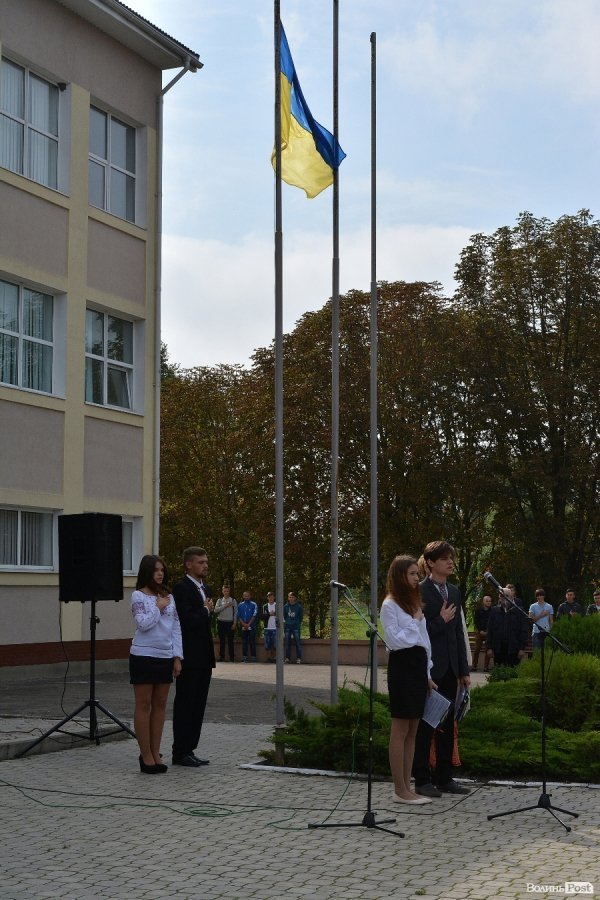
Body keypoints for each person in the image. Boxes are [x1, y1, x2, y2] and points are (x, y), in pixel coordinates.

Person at [412, 541, 471, 798]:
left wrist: (464, 670)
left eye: (452, 558)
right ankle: (422, 779)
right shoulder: (420, 591)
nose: (450, 562)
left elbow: (458, 633)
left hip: (450, 671)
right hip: (429, 670)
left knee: (447, 725)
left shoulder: (455, 592)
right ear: (431, 562)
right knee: (426, 726)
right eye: (445, 558)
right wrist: (439, 621)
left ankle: (445, 777)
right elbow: (415, 632)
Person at [380, 555, 436, 805]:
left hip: (417, 667)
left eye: (417, 574)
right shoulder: (390, 605)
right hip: (402, 668)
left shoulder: (413, 603)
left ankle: (408, 786)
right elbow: (395, 641)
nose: (417, 578)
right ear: (401, 575)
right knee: (400, 729)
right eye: (413, 574)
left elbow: (424, 642)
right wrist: (414, 620)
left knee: (413, 730)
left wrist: (427, 674)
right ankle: (399, 789)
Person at [129, 554, 182, 774]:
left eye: (162, 570)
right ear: (147, 572)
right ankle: (146, 755)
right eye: (156, 570)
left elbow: (176, 628)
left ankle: (156, 751)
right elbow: (143, 625)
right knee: (144, 705)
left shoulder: (169, 596)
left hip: (164, 656)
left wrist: (177, 657)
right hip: (143, 655)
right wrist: (158, 607)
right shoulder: (137, 596)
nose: (160, 573)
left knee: (160, 705)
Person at [171, 546, 215, 768]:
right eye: (200, 562)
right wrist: (206, 611)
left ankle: (190, 749)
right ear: (189, 564)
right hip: (189, 657)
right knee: (186, 704)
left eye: (206, 562)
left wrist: (207, 612)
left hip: (204, 657)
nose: (205, 565)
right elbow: (186, 621)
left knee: (198, 704)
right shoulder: (181, 588)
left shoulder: (204, 588)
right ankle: (179, 751)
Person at [486, 587, 529, 666]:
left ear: (512, 597)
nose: (504, 598)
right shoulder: (494, 611)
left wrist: (522, 648)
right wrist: (489, 647)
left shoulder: (519, 611)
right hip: (498, 649)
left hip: (514, 649)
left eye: (506, 595)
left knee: (513, 674)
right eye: (501, 596)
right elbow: (490, 629)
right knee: (499, 672)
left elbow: (524, 630)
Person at [214, 585, 237, 662]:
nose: (226, 592)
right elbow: (215, 610)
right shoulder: (219, 600)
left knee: (230, 641)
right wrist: (225, 606)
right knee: (222, 641)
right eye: (224, 591)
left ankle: (232, 657)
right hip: (221, 622)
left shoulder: (233, 600)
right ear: (222, 591)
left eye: (227, 591)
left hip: (230, 623)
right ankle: (222, 657)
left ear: (229, 591)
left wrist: (234, 623)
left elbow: (236, 613)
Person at [471, 594, 493, 672]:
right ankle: (474, 666)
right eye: (487, 601)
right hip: (480, 632)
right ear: (483, 602)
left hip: (488, 632)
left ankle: (486, 667)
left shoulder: (492, 611)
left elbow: (493, 622)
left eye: (490, 601)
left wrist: (488, 631)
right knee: (477, 649)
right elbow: (476, 621)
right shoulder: (478, 610)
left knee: (488, 649)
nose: (489, 602)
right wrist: (480, 630)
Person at [238, 590, 258, 662]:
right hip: (243, 626)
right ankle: (244, 657)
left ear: (250, 596)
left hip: (251, 626)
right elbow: (239, 616)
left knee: (252, 642)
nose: (246, 597)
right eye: (245, 596)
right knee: (244, 642)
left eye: (248, 596)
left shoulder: (254, 604)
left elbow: (254, 615)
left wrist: (248, 624)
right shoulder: (240, 605)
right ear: (243, 596)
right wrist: (243, 624)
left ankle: (253, 657)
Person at [284, 591, 303, 663]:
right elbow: (285, 616)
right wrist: (288, 622)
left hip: (296, 627)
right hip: (288, 627)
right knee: (287, 643)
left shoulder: (298, 607)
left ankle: (299, 658)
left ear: (295, 598)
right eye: (289, 597)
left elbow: (301, 617)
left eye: (292, 597)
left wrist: (297, 623)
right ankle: (287, 658)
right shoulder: (285, 606)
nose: (290, 598)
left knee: (298, 643)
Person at [262, 591, 277, 662]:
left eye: (272, 597)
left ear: (274, 597)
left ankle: (273, 658)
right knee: (267, 645)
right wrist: (269, 614)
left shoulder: (277, 605)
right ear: (267, 598)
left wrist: (275, 613)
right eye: (269, 597)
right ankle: (267, 658)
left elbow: (281, 615)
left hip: (275, 628)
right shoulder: (265, 606)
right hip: (267, 628)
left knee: (274, 645)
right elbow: (262, 617)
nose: (270, 598)